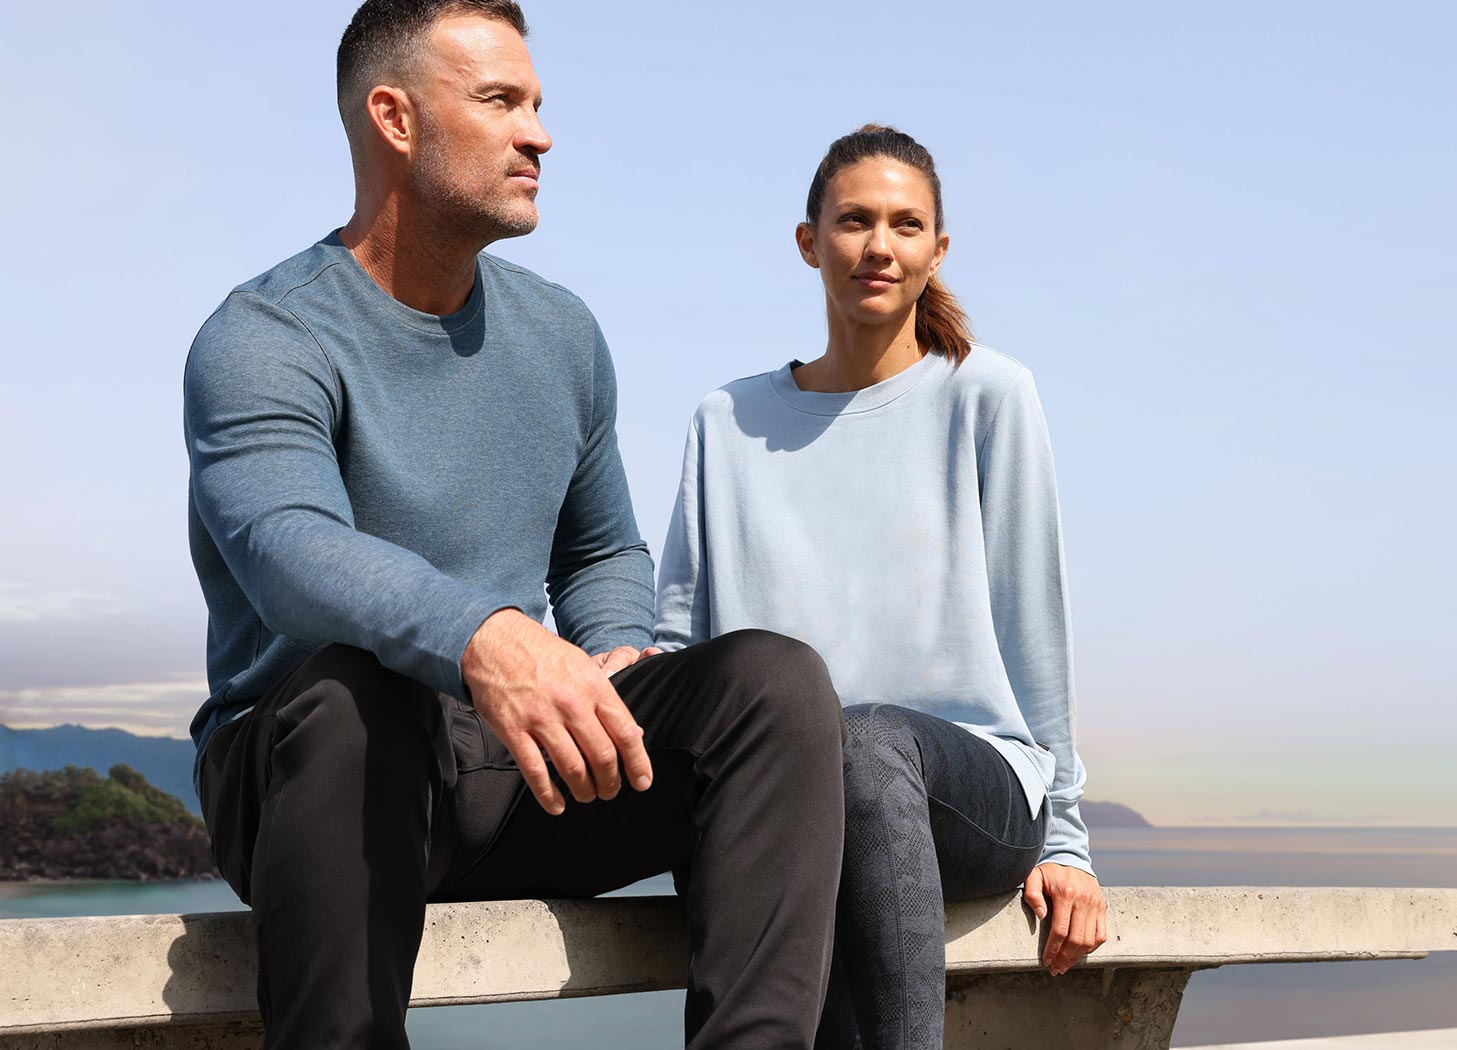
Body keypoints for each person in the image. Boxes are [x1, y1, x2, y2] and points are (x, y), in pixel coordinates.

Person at [182, 3, 846, 1047]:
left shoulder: (561, 334)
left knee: (773, 685)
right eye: (500, 102)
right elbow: (286, 552)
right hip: (315, 774)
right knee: (358, 694)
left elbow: (599, 549)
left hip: (518, 768)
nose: (539, 134)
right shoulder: (264, 335)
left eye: (536, 105)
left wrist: (614, 643)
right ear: (394, 119)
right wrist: (487, 636)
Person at [653, 124, 1108, 1050]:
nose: (878, 246)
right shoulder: (726, 422)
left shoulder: (990, 396)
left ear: (936, 251)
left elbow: (1035, 630)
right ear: (808, 241)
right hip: (790, 794)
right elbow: (680, 650)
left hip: (972, 782)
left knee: (861, 748)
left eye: (906, 226)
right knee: (824, 775)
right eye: (854, 220)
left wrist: (1065, 840)